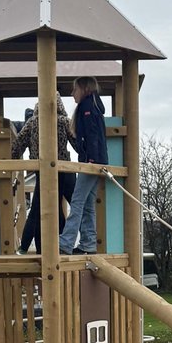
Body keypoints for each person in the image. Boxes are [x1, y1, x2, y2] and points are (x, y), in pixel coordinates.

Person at [10, 91, 78, 253]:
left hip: (41, 169)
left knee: (37, 208)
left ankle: (30, 248)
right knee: (71, 205)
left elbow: (17, 146)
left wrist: (10, 163)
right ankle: (64, 244)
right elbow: (77, 144)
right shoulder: (63, 122)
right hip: (62, 169)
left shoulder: (33, 122)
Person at [58, 76, 108, 256]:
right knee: (87, 204)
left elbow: (91, 135)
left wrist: (91, 160)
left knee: (77, 201)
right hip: (97, 161)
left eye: (74, 90)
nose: (72, 94)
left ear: (84, 89)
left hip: (91, 162)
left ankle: (65, 242)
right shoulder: (94, 106)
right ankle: (88, 243)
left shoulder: (87, 108)